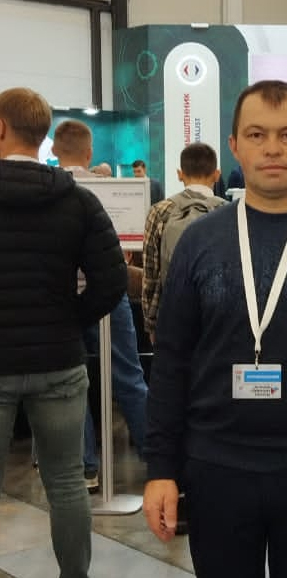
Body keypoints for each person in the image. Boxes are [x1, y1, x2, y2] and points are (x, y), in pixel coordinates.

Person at [142, 80, 287, 578]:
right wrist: (161, 468)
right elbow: (171, 359)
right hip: (217, 468)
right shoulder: (198, 242)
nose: (272, 148)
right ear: (235, 146)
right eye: (257, 134)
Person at [0, 87, 126, 578]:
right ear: (44, 136)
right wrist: (70, 320)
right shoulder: (78, 200)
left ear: (1, 128)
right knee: (67, 482)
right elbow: (112, 281)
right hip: (59, 360)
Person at [52, 119, 149, 493]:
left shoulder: (50, 191)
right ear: (90, 152)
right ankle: (158, 460)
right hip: (109, 296)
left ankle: (86, 469)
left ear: (55, 151)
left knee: (71, 386)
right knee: (130, 378)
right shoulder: (106, 191)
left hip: (64, 302)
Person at [142, 142, 225, 342]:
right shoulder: (229, 212)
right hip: (220, 319)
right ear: (217, 174)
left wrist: (151, 324)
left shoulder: (160, 211)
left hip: (172, 317)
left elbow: (151, 274)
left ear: (180, 174)